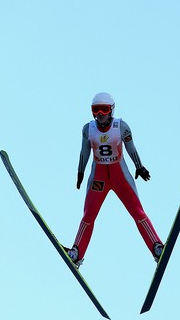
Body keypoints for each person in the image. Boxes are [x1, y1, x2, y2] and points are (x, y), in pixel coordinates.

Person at [65, 92, 163, 268]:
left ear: (111, 110)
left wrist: (139, 166)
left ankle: (156, 246)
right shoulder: (88, 129)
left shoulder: (121, 126)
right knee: (88, 215)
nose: (100, 114)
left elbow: (131, 147)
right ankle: (76, 253)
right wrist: (80, 172)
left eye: (104, 109)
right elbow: (84, 152)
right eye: (96, 110)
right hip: (99, 177)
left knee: (138, 212)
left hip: (120, 174)